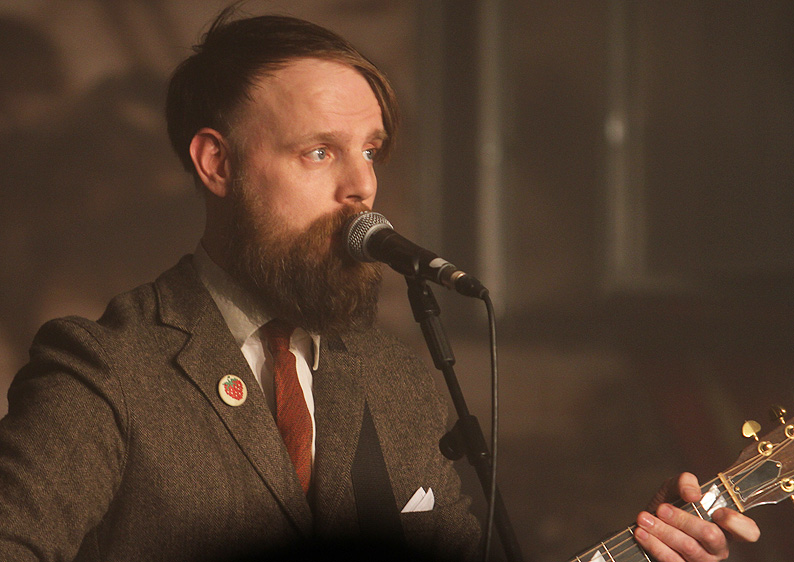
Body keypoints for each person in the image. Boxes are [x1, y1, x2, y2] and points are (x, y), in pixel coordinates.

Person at [0, 7, 759, 562]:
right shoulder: (105, 370)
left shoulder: (394, 376)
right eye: (319, 152)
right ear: (218, 164)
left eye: (370, 150)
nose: (363, 185)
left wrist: (654, 546)